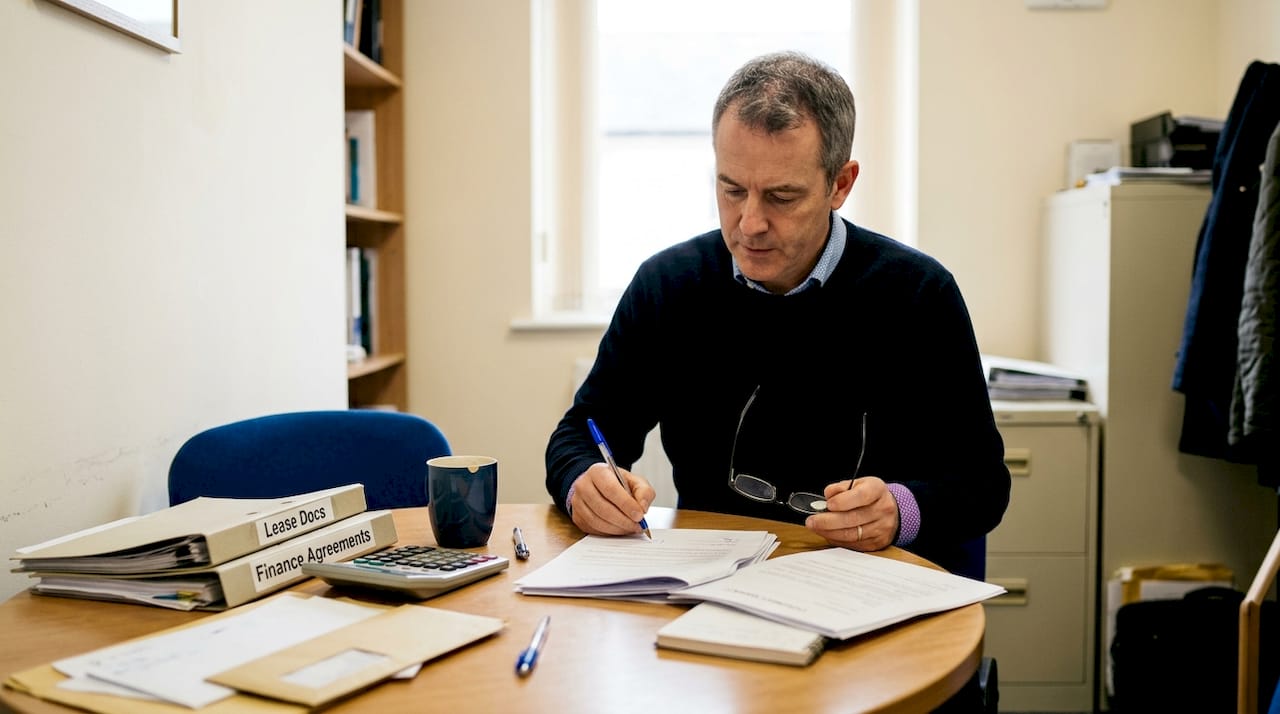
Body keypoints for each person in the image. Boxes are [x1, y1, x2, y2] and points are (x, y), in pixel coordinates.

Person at [545, 50, 1010, 581]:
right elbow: (581, 433)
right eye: (731, 190)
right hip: (711, 585)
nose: (750, 223)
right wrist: (583, 481)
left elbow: (982, 484)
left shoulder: (918, 294)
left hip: (865, 587)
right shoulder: (669, 285)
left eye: (782, 197)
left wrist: (899, 512)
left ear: (841, 184)